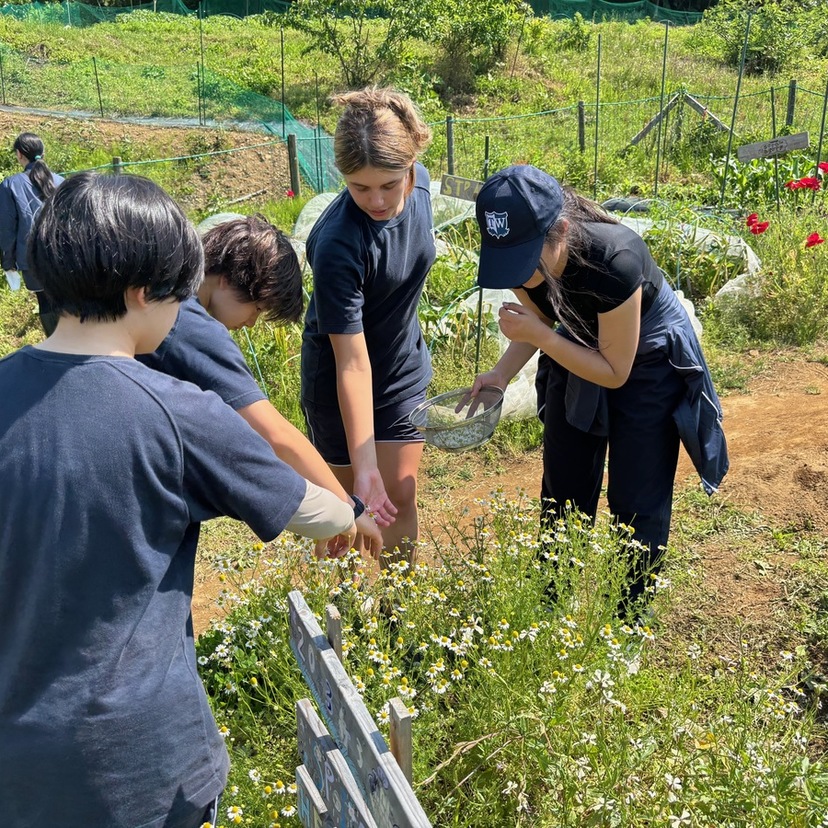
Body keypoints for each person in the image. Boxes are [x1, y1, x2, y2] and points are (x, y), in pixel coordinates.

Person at [0, 172, 356, 828]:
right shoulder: (178, 413)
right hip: (141, 773)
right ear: (143, 292)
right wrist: (347, 513)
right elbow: (321, 513)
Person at [470, 165, 728, 615]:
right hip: (577, 341)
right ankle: (549, 609)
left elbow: (613, 371)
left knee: (636, 497)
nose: (522, 273)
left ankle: (629, 620)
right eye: (508, 260)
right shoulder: (521, 257)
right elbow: (545, 320)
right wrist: (500, 374)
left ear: (562, 230)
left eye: (530, 258)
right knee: (564, 482)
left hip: (643, 361)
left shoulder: (614, 260)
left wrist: (544, 338)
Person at [137, 213, 383, 558]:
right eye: (256, 307)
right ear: (227, 279)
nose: (251, 323)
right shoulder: (194, 328)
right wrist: (349, 509)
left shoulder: (158, 295)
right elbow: (276, 435)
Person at [301, 87, 436, 565]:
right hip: (339, 383)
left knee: (398, 498)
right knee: (347, 513)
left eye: (388, 184)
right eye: (359, 187)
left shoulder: (421, 188)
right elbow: (352, 364)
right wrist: (364, 469)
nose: (376, 200)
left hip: (401, 369)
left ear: (412, 164)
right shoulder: (338, 243)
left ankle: (399, 619)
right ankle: (342, 624)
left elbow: (469, 195)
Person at [0, 132, 65, 335]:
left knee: (46, 303)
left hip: (32, 258)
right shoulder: (62, 181)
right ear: (43, 153)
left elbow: (7, 229)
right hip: (65, 257)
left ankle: (56, 348)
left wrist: (8, 263)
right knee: (67, 301)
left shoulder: (10, 185)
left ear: (19, 154)